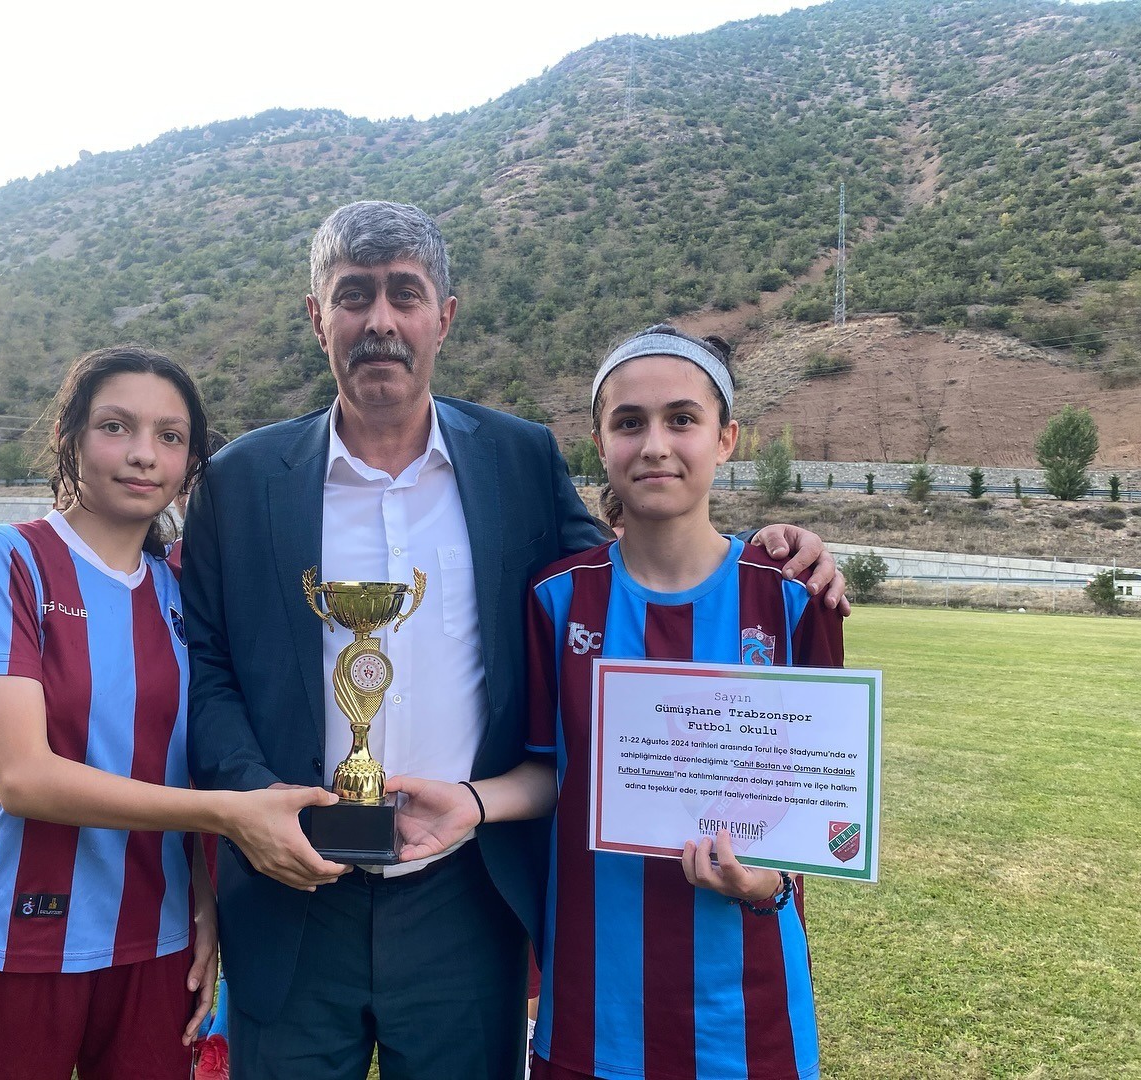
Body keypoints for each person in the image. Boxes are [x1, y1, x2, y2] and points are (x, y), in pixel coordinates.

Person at [181, 201, 845, 1079]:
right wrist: (254, 798)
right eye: (353, 295)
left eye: (404, 294)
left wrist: (768, 549)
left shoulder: (519, 459)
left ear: (444, 317)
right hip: (291, 888)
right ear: (316, 315)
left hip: (465, 898)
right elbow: (207, 665)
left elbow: (637, 562)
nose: (380, 320)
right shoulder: (240, 480)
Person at [389, 323, 843, 1080]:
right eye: (630, 423)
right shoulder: (558, 599)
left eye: (682, 419)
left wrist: (767, 881)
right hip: (592, 1006)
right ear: (600, 444)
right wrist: (472, 802)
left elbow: (815, 806)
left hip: (745, 1008)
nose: (655, 445)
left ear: (727, 438)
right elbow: (552, 770)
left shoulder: (793, 598)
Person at [0, 345, 340, 1080]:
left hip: (160, 945)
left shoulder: (181, 590)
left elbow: (187, 760)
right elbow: (24, 778)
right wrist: (229, 814)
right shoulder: (7, 559)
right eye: (116, 427)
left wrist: (204, 902)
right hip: (24, 937)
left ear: (190, 463)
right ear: (70, 437)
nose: (144, 454)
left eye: (170, 436)